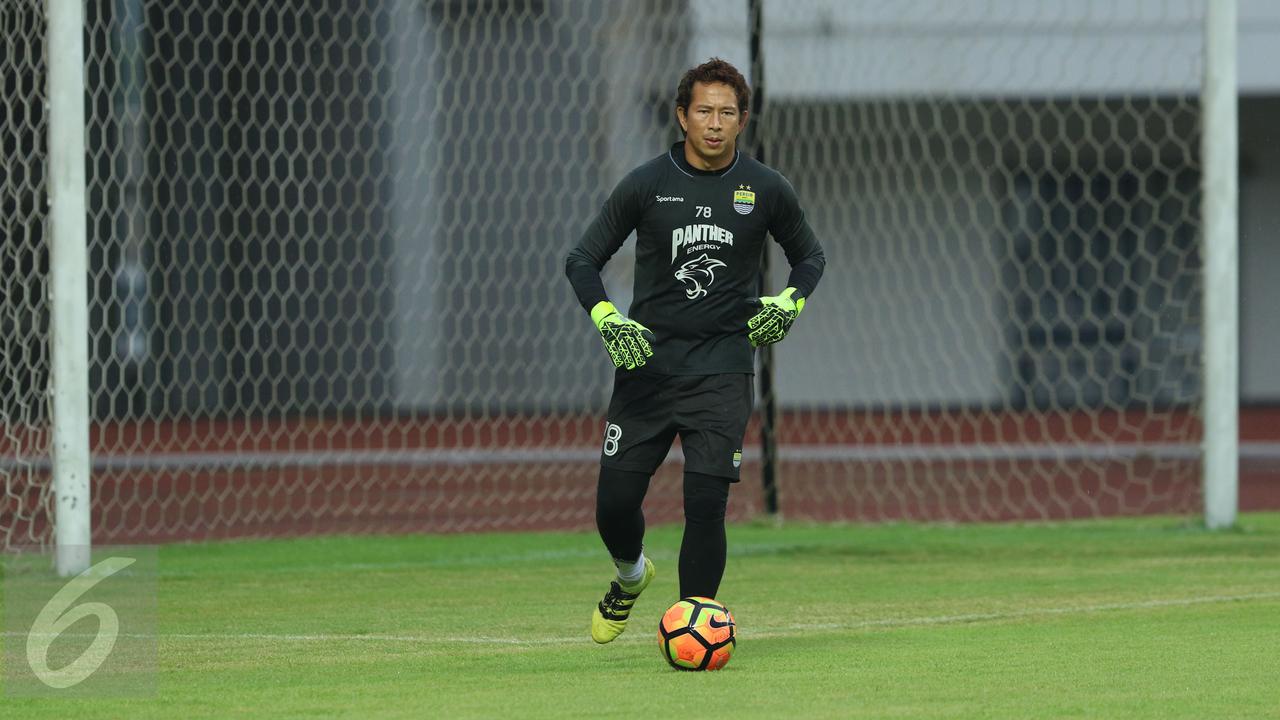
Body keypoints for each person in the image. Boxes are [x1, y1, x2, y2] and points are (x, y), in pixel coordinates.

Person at [564, 58, 825, 644]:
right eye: (703, 111)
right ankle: (630, 578)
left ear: (743, 120)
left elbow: (810, 258)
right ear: (682, 116)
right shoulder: (646, 182)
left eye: (727, 113)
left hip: (723, 371)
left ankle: (692, 628)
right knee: (615, 504)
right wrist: (608, 318)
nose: (714, 123)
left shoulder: (765, 188)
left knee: (704, 502)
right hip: (647, 371)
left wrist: (789, 304)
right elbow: (581, 260)